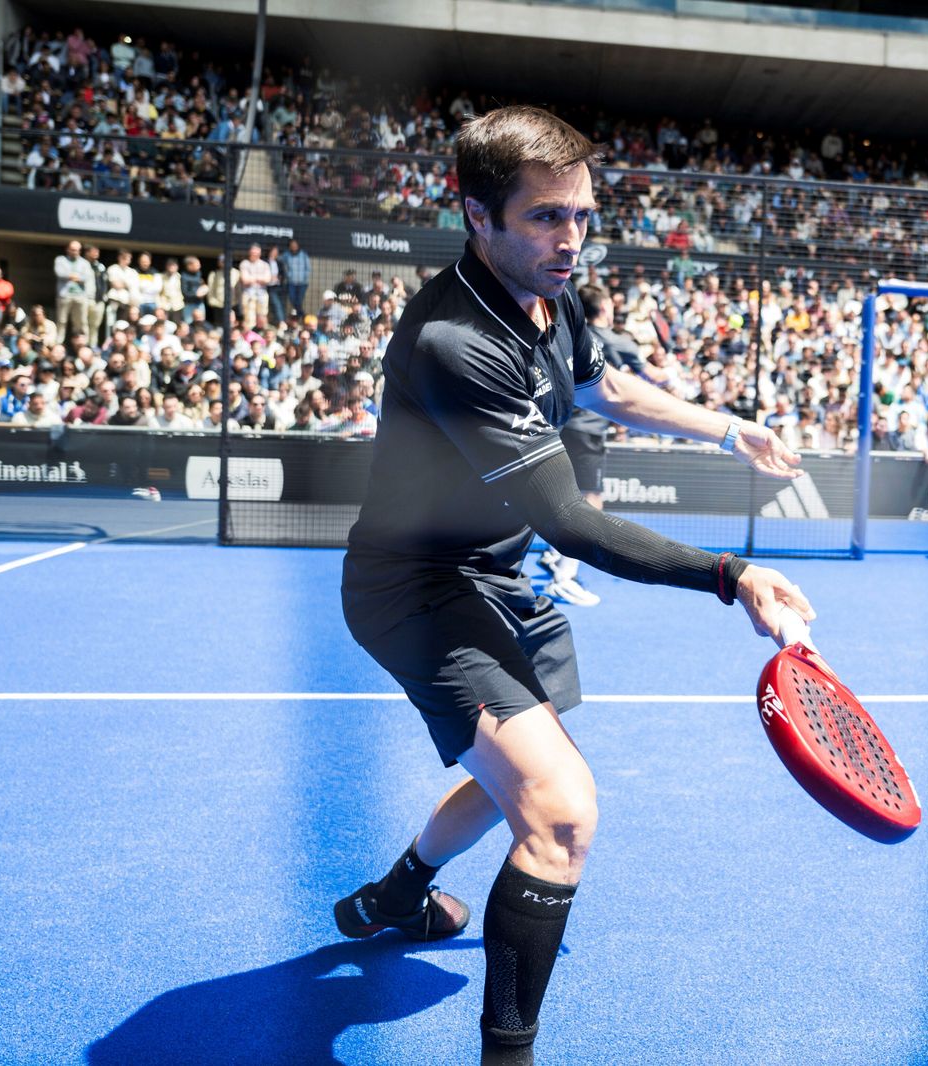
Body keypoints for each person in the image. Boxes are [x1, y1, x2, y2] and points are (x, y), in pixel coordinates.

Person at [335, 106, 812, 1066]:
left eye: (585, 216)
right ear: (477, 214)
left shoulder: (552, 292)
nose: (573, 239)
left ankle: (396, 894)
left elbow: (610, 390)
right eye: (549, 217)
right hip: (415, 589)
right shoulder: (454, 342)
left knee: (523, 768)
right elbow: (572, 524)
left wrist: (728, 429)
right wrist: (735, 574)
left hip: (493, 575)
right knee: (560, 813)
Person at [536, 283, 666, 607]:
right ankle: (564, 577)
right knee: (590, 502)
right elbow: (654, 377)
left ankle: (555, 554)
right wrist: (671, 369)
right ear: (605, 307)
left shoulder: (565, 333)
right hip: (588, 431)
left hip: (561, 424)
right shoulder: (618, 341)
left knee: (564, 496)